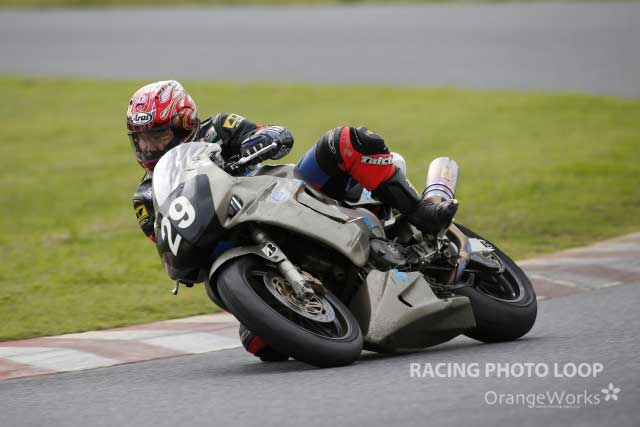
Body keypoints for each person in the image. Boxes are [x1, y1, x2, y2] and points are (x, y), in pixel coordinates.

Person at [127, 80, 458, 362]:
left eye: (158, 135)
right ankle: (319, 301)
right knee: (260, 344)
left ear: (185, 125)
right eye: (141, 139)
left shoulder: (219, 129)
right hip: (242, 254)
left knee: (343, 141)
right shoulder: (146, 198)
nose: (149, 147)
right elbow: (170, 244)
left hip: (288, 196)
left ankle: (422, 211)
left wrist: (263, 140)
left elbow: (271, 133)